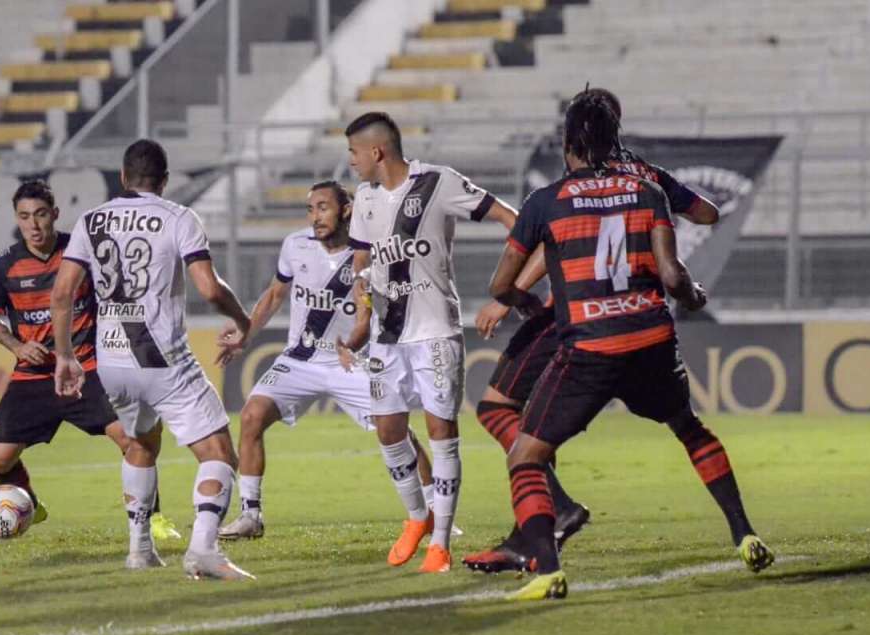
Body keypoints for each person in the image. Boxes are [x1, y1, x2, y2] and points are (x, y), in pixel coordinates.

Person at [487, 90, 773, 601]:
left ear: (568, 143)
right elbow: (682, 256)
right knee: (688, 427)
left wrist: (524, 303)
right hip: (651, 339)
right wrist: (695, 293)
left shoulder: (547, 200)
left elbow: (501, 285)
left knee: (525, 455)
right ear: (616, 134)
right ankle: (743, 531)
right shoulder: (647, 186)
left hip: (589, 346)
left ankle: (546, 568)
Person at [51, 140, 253, 580]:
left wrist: (65, 356)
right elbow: (210, 289)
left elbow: (63, 293)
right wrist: (242, 317)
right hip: (159, 355)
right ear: (163, 181)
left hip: (111, 360)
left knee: (141, 442)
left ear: (123, 177)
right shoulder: (178, 217)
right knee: (218, 451)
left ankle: (140, 549)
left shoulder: (91, 219)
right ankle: (203, 549)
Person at [337, 112, 518, 573]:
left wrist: (509, 290)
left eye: (354, 153)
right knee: (388, 430)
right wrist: (361, 319)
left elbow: (509, 219)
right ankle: (417, 517)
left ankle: (440, 544)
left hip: (434, 331)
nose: (351, 162)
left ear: (376, 152)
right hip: (386, 336)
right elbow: (361, 260)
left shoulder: (438, 182)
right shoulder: (364, 197)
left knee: (441, 433)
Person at [216, 181, 447, 539]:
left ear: (347, 209)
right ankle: (251, 515)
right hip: (300, 360)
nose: (315, 217)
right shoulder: (295, 245)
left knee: (396, 431)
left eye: (323, 207)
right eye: (310, 209)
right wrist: (246, 333)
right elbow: (276, 294)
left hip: (352, 362)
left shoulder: (370, 251)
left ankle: (437, 513)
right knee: (251, 416)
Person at [0, 179, 179, 545]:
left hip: (86, 369)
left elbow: (118, 298)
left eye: (40, 215)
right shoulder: (4, 266)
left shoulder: (82, 251)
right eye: (25, 217)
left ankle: (152, 519)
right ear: (17, 219)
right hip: (34, 376)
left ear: (54, 214)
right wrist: (17, 347)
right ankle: (29, 504)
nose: (34, 225)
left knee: (133, 439)